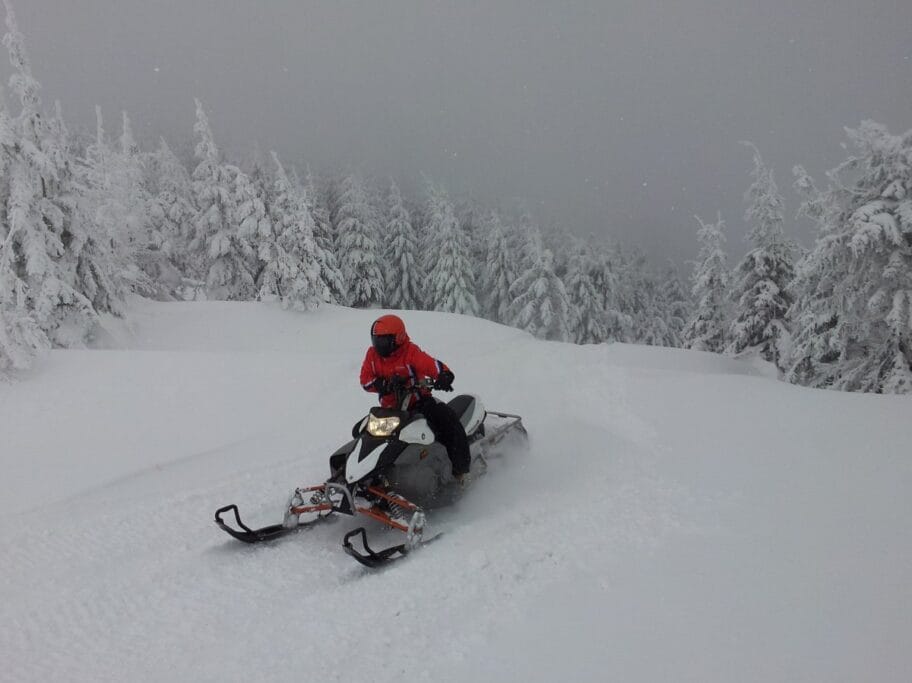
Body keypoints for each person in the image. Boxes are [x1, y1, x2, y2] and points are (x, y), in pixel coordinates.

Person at [359, 314, 470, 479]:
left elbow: (429, 364)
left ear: (397, 338)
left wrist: (444, 374)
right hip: (391, 410)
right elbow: (365, 380)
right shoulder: (372, 355)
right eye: (376, 340)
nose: (378, 345)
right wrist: (381, 384)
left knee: (448, 421)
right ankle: (365, 472)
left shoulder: (410, 352)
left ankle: (460, 471)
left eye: (382, 341)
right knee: (362, 431)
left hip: (419, 404)